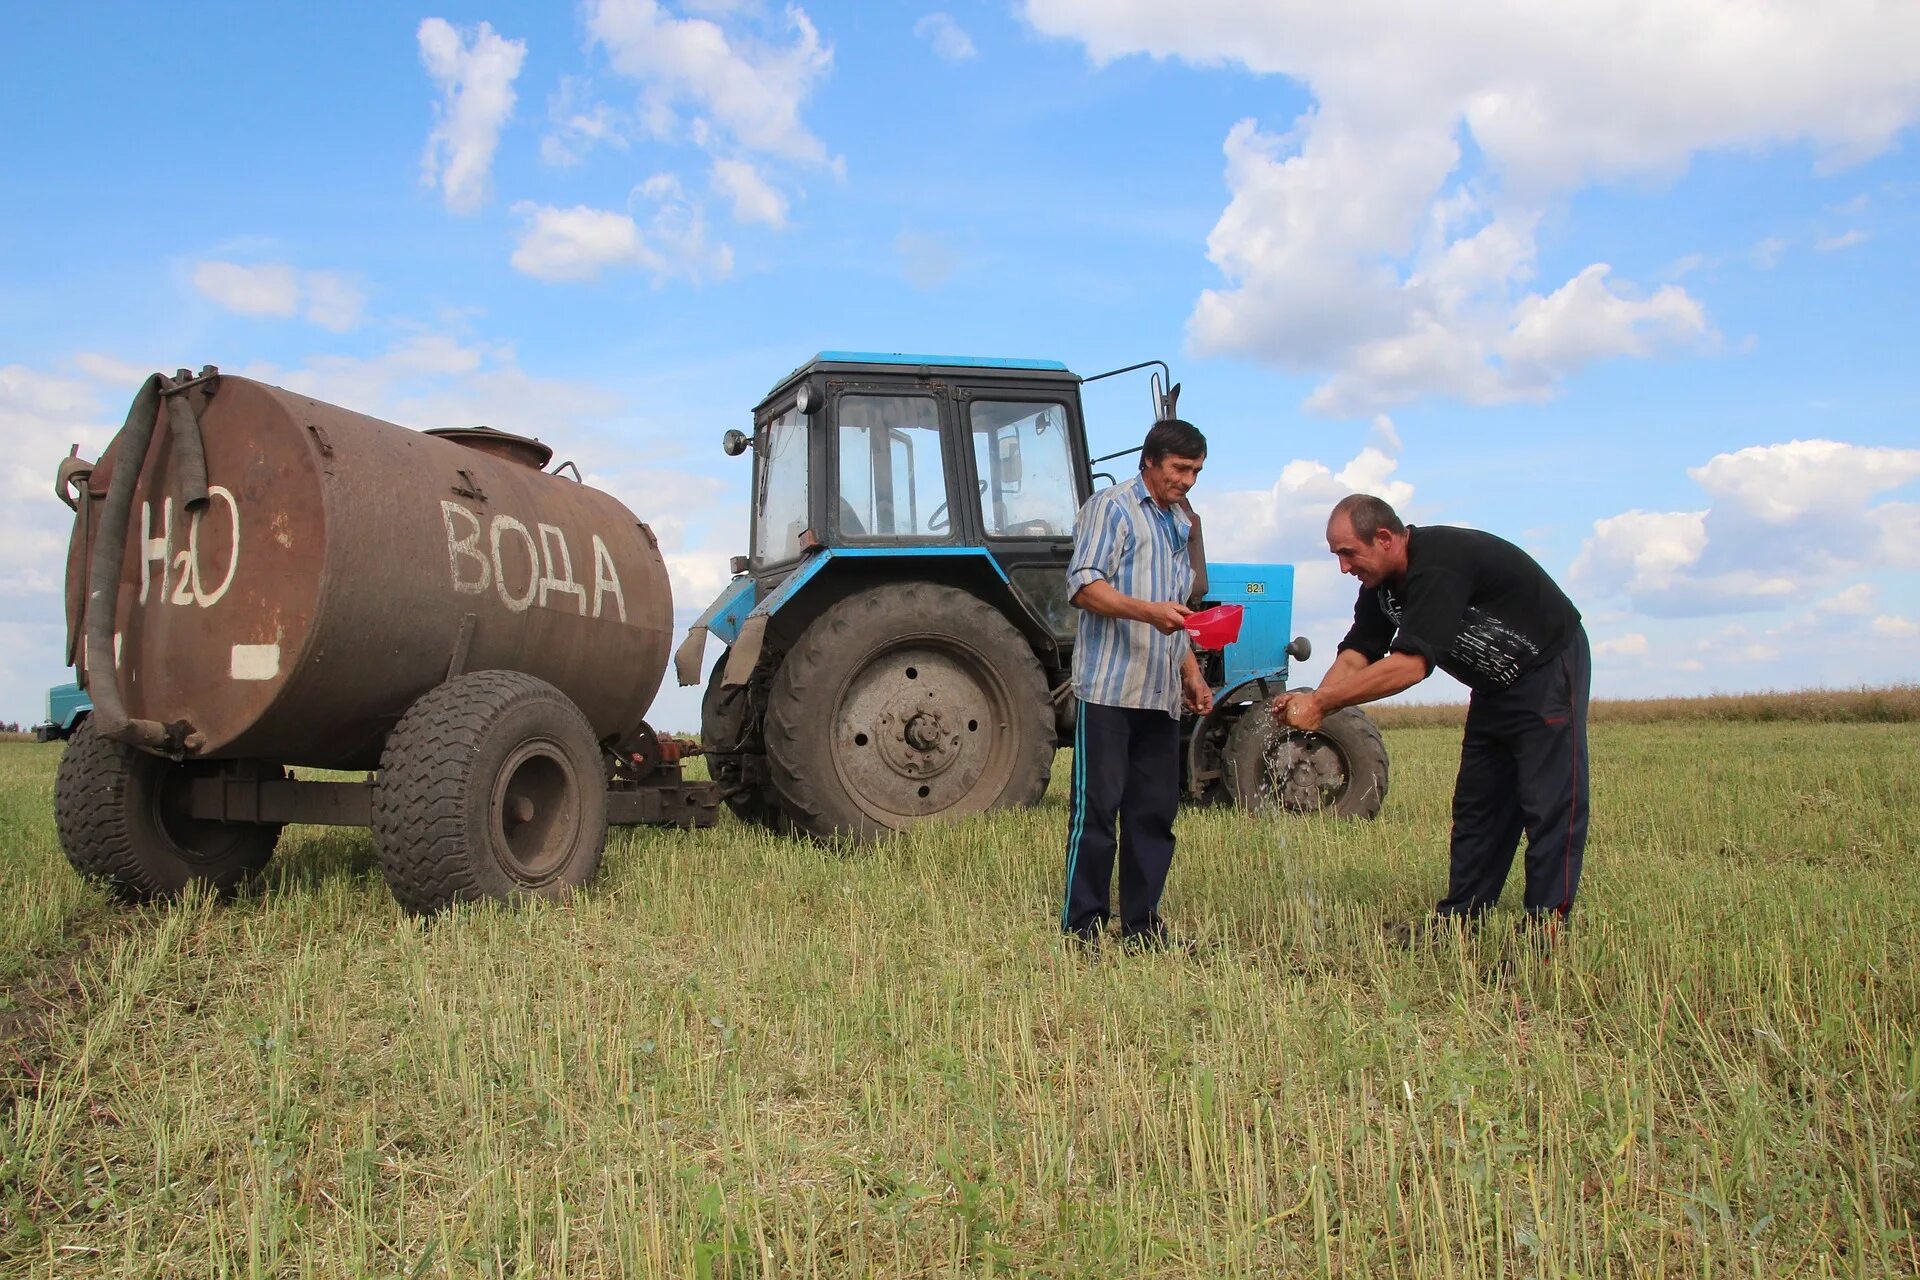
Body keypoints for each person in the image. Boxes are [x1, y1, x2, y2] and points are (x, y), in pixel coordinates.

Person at [1275, 494, 1590, 928]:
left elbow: (1410, 666)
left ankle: (1546, 926)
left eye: (1349, 553)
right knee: (1478, 805)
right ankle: (1462, 920)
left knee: (1549, 800)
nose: (1343, 568)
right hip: (1492, 684)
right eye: (1337, 556)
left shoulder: (1439, 564)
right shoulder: (1379, 588)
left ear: (1384, 537)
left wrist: (1323, 703)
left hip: (1546, 666)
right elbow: (1357, 654)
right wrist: (1313, 704)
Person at [1060, 419, 1215, 950]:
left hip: (1159, 694)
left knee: (1154, 815)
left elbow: (1179, 611)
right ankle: (1084, 927)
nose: (1189, 480)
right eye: (1180, 469)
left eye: (1196, 470)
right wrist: (1148, 613)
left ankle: (1142, 929)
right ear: (1149, 461)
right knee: (1097, 812)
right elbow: (1083, 587)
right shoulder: (1112, 508)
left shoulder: (1179, 523)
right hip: (1109, 689)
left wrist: (1191, 675)